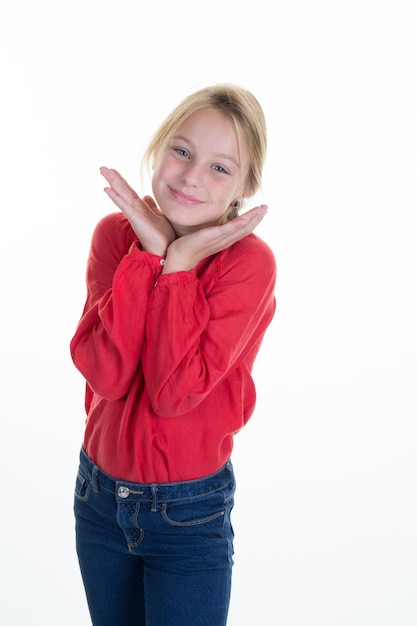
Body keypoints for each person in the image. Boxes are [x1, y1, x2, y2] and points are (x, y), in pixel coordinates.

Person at [70, 83, 276, 626]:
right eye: (182, 151)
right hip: (98, 500)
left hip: (188, 514)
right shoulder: (114, 238)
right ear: (159, 150)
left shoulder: (248, 265)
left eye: (220, 167)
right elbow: (107, 374)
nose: (190, 177)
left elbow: (172, 391)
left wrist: (180, 265)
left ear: (244, 188)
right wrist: (148, 255)